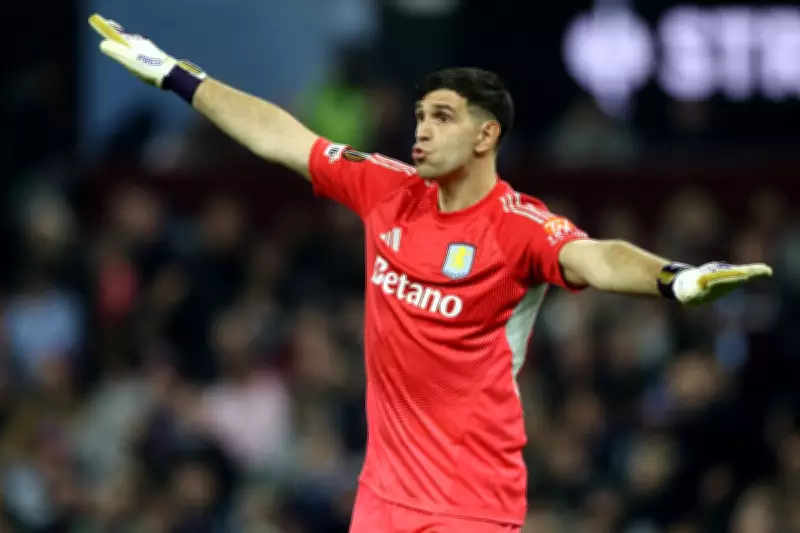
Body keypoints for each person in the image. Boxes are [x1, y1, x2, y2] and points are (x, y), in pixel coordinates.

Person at [88, 15, 773, 533]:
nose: (421, 130)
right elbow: (281, 136)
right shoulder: (386, 188)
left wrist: (674, 277)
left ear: (486, 135)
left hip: (472, 503)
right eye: (420, 116)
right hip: (381, 499)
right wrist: (177, 75)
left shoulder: (519, 226)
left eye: (442, 118)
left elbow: (595, 257)